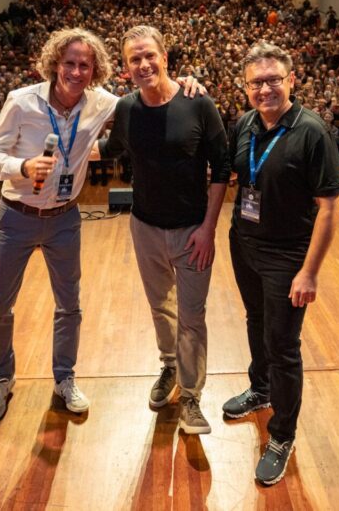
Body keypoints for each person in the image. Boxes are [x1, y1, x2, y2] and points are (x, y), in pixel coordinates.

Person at [0, 28, 202, 424]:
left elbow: (148, 97)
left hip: (65, 218)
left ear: (94, 70)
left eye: (85, 65)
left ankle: (64, 378)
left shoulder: (103, 103)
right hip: (16, 216)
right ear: (55, 64)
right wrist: (22, 166)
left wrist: (182, 83)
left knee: (70, 306)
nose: (77, 72)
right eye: (70, 63)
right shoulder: (21, 101)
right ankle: (1, 379)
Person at [97, 25, 230, 436]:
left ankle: (191, 396)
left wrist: (209, 228)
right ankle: (170, 367)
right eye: (134, 59)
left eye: (149, 55)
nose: (143, 64)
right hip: (145, 227)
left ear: (165, 57)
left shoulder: (198, 102)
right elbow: (107, 150)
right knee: (161, 308)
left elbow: (222, 168)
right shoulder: (127, 108)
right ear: (126, 67)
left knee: (192, 316)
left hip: (193, 231)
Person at [223, 42, 339, 486]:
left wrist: (309, 272)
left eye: (274, 79)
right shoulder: (245, 123)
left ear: (291, 80)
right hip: (245, 244)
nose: (265, 89)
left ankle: (282, 434)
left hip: (288, 255)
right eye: (256, 82)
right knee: (256, 321)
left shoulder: (312, 132)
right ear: (245, 87)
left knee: (284, 344)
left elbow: (330, 208)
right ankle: (261, 389)